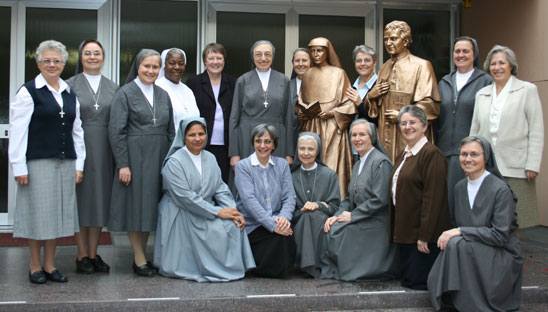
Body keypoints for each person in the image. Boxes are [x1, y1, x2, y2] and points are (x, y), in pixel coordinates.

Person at [9, 40, 85, 284]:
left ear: (64, 64)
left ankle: (51, 265)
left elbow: (77, 131)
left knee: (56, 215)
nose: (52, 65)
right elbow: (18, 131)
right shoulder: (28, 91)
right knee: (38, 215)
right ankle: (34, 266)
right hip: (38, 162)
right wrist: (18, 166)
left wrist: (79, 165)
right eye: (47, 60)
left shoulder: (69, 92)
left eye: (57, 61)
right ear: (38, 63)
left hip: (65, 162)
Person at [154, 117, 255, 282]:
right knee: (216, 228)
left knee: (234, 224)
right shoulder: (174, 162)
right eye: (192, 135)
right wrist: (218, 211)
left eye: (201, 134)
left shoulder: (210, 157)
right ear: (183, 137)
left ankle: (232, 267)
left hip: (206, 209)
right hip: (180, 212)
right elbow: (185, 198)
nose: (197, 138)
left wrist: (233, 211)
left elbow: (220, 187)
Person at [428, 136, 522, 311]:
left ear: (485, 157)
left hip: (502, 253)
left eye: (474, 154)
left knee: (456, 242)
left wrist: (460, 231)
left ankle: (463, 300)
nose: (468, 159)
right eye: (464, 154)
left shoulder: (501, 190)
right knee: (455, 243)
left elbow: (500, 236)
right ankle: (455, 297)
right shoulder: (459, 187)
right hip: (473, 249)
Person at [108, 49, 175, 277]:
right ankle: (138, 258)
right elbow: (116, 131)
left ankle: (144, 255)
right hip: (135, 158)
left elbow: (170, 130)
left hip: (159, 156)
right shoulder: (125, 93)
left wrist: (170, 161)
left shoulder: (163, 94)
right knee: (136, 208)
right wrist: (123, 164)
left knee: (149, 208)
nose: (150, 71)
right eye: (146, 66)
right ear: (138, 66)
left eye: (155, 67)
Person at [470, 45, 544, 228]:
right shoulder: (482, 94)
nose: (497, 67)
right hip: (487, 166)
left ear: (511, 65)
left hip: (516, 166)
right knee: (489, 216)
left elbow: (536, 129)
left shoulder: (527, 90)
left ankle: (513, 256)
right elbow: (474, 132)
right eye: (493, 64)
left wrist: (532, 164)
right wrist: (471, 158)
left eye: (502, 63)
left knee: (516, 219)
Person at [321, 119, 398, 281]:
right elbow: (350, 197)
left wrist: (353, 216)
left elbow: (380, 199)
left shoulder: (380, 162)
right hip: (363, 215)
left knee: (341, 232)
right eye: (354, 135)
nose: (357, 139)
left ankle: (353, 271)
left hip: (376, 221)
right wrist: (338, 214)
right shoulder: (358, 163)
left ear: (372, 138)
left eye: (362, 134)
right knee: (332, 226)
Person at [66, 39, 118, 274]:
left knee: (99, 200)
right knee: (81, 201)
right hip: (79, 147)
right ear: (81, 57)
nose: (93, 57)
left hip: (104, 148)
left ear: (103, 57)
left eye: (97, 53)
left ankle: (94, 252)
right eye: (87, 53)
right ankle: (81, 254)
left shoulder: (113, 86)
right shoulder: (69, 85)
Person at [389, 105, 451, 290]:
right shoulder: (405, 154)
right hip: (407, 236)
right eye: (403, 123)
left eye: (413, 122)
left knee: (418, 286)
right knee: (408, 283)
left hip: (423, 240)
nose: (408, 127)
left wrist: (425, 236)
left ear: (424, 126)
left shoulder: (431, 154)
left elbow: (433, 199)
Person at [435, 36, 492, 222]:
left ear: (474, 54)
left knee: (466, 203)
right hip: (444, 151)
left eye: (465, 51)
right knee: (445, 202)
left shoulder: (485, 81)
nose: (461, 55)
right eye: (457, 51)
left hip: (470, 153)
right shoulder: (444, 82)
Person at [365, 20, 440, 162]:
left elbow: (431, 105)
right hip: (385, 133)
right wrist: (371, 96)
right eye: (386, 39)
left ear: (405, 41)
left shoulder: (422, 66)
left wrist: (402, 115)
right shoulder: (384, 67)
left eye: (393, 38)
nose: (388, 43)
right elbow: (375, 110)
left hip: (409, 134)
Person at [297, 37, 357, 197]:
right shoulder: (307, 74)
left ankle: (335, 202)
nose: (316, 54)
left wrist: (332, 113)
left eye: (320, 50)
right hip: (311, 127)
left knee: (332, 166)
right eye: (313, 50)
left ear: (327, 52)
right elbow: (300, 101)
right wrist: (302, 111)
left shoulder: (339, 74)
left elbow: (350, 104)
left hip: (332, 128)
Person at [235, 124, 296, 277]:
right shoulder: (243, 166)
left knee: (285, 236)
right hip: (253, 224)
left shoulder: (282, 164)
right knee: (278, 240)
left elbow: (289, 196)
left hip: (277, 220)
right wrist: (271, 225)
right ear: (253, 143)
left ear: (274, 144)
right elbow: (249, 202)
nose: (262, 145)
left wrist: (283, 218)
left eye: (267, 141)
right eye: (258, 141)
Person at [229, 40, 294, 171]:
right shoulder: (243, 80)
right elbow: (234, 118)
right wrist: (234, 153)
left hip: (277, 138)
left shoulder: (284, 80)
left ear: (273, 56)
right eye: (258, 54)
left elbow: (289, 118)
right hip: (248, 137)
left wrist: (289, 152)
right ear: (252, 56)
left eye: (267, 54)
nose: (263, 58)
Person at [291, 132, 340, 278]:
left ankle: (307, 265)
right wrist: (304, 209)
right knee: (307, 216)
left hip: (322, 225)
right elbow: (289, 209)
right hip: (298, 224)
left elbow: (335, 208)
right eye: (302, 149)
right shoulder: (290, 176)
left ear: (317, 151)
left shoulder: (329, 175)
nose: (306, 153)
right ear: (297, 151)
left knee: (313, 216)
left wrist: (318, 205)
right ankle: (313, 266)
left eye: (310, 149)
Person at [187, 43, 236, 183]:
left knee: (222, 183)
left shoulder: (233, 83)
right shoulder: (193, 83)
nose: (215, 62)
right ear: (204, 61)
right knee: (201, 183)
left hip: (226, 147)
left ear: (224, 61)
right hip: (200, 145)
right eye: (211, 58)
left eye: (219, 58)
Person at [156, 48, 200, 129]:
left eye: (181, 63)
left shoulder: (188, 90)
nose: (177, 67)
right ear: (164, 65)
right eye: (172, 63)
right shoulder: (157, 88)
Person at [345, 44, 378, 123]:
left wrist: (360, 104)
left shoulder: (380, 86)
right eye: (359, 61)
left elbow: (379, 119)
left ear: (375, 63)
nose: (362, 64)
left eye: (367, 60)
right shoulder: (350, 87)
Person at [288, 48, 311, 146]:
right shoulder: (286, 86)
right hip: (290, 139)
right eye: (297, 61)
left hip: (312, 137)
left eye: (304, 60)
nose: (300, 64)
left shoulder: (320, 85)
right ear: (293, 63)